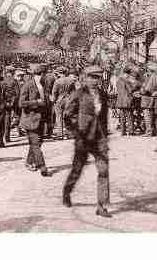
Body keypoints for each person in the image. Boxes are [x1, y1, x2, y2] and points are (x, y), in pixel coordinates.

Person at [63, 65, 111, 217]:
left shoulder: (103, 94)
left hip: (100, 139)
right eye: (92, 77)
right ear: (86, 78)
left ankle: (102, 206)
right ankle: (67, 192)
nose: (95, 81)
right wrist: (76, 132)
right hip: (83, 138)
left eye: (97, 77)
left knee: (103, 171)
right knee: (77, 170)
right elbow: (67, 115)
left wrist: (105, 133)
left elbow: (103, 116)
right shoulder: (78, 94)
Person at [19, 64, 51, 176]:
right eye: (46, 74)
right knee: (36, 144)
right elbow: (21, 103)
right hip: (30, 119)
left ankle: (29, 162)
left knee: (37, 143)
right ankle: (42, 167)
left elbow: (46, 102)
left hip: (41, 119)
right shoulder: (27, 85)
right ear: (41, 74)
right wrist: (36, 103)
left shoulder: (44, 85)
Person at [3, 66, 20, 143]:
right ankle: (10, 133)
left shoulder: (3, 80)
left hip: (4, 101)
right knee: (17, 116)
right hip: (13, 102)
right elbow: (17, 93)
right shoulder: (14, 81)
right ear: (12, 72)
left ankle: (6, 136)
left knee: (6, 119)